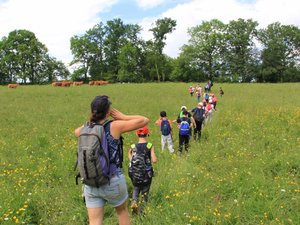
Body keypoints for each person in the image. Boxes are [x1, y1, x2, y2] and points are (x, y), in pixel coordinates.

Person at [74, 95, 149, 225]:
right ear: (109, 111)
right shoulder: (114, 126)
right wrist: (123, 116)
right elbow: (144, 120)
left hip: (90, 182)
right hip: (112, 180)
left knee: (95, 221)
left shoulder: (83, 129)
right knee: (122, 213)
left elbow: (76, 131)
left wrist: (92, 120)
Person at [128, 126, 157, 214]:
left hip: (135, 173)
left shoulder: (133, 146)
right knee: (145, 192)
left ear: (137, 134)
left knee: (136, 188)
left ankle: (134, 202)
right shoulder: (149, 145)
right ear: (147, 134)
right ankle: (142, 211)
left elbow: (130, 155)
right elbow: (154, 160)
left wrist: (132, 160)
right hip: (146, 174)